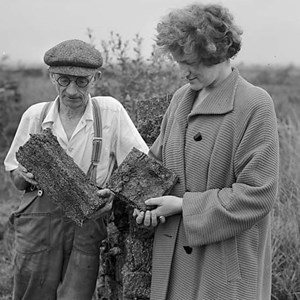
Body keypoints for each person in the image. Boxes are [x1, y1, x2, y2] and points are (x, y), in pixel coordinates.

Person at [134, 3, 279, 300]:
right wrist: (139, 201)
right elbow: (156, 165)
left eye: (189, 61)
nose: (182, 71)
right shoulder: (180, 99)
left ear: (216, 52)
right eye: (178, 61)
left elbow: (258, 194)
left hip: (224, 269)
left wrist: (184, 206)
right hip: (174, 262)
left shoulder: (254, 104)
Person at [4, 39, 148, 300]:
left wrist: (113, 194)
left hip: (87, 221)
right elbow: (14, 177)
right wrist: (22, 176)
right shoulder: (34, 116)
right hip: (38, 221)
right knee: (30, 293)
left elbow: (139, 166)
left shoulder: (110, 112)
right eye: (63, 80)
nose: (71, 90)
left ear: (96, 78)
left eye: (81, 81)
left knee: (77, 295)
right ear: (51, 77)